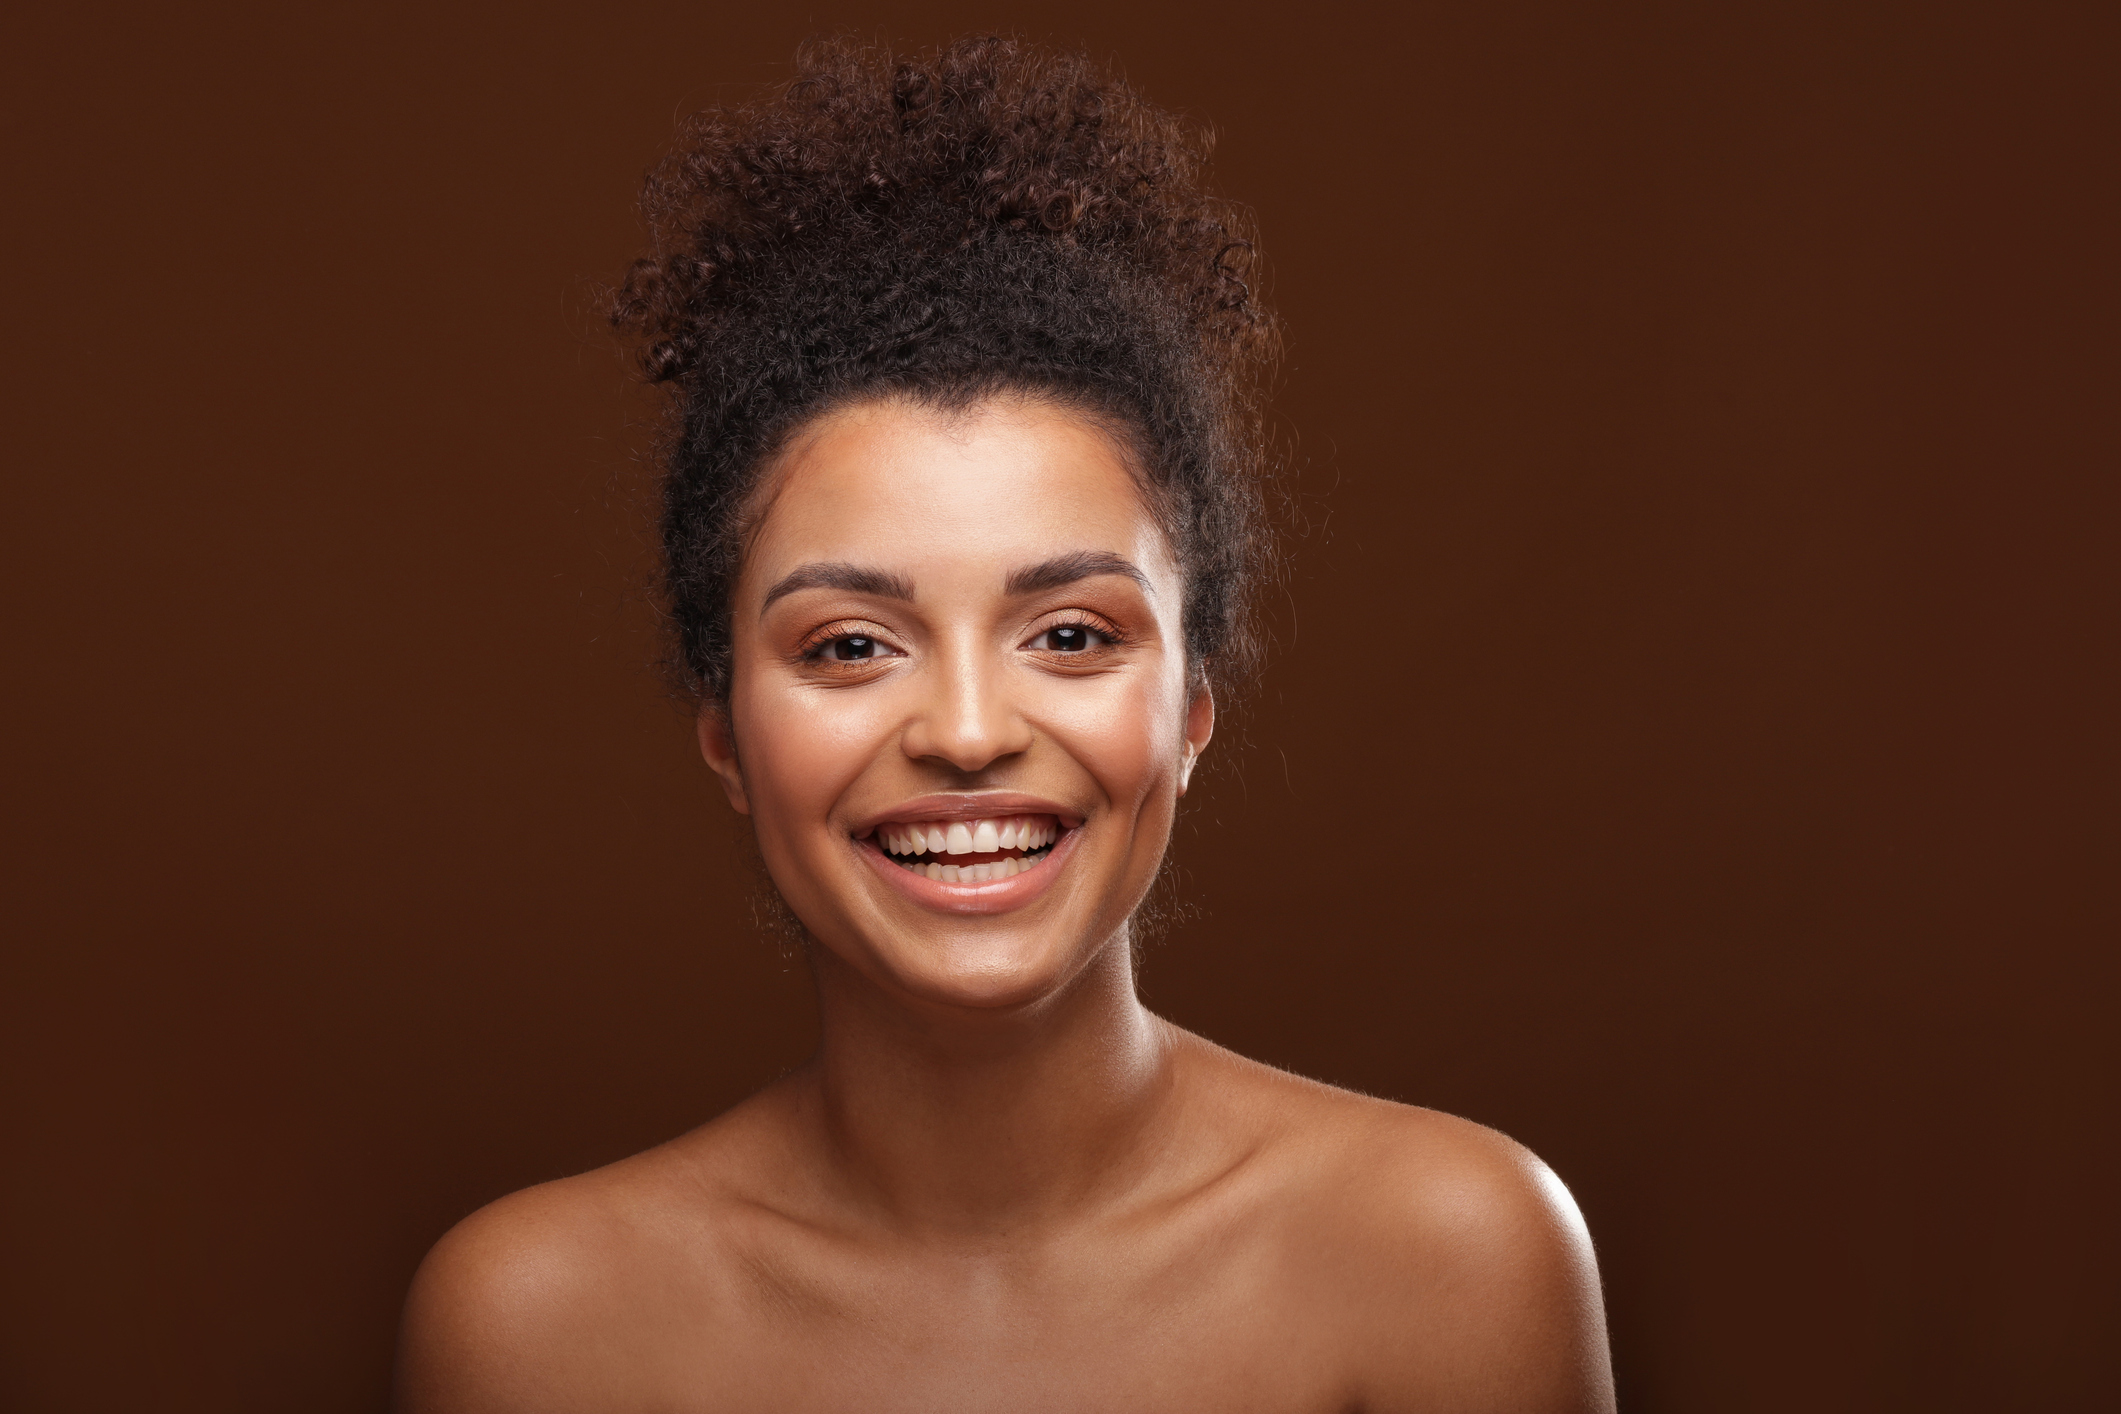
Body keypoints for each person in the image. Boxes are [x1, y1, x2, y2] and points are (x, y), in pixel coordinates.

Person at [395, 35, 1615, 1413]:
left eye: (1070, 636)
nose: (967, 730)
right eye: (851, 645)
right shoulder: (539, 1327)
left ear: (1191, 704)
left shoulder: (1450, 1253)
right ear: (726, 739)